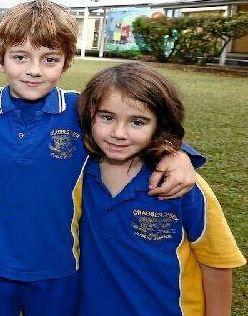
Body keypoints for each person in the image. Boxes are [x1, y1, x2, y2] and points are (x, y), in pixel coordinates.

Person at [0, 0, 201, 315]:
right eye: (20, 57)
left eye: (49, 59)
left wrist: (179, 155)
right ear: (0, 59)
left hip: (60, 268)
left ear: (66, 63)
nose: (33, 70)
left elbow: (136, 126)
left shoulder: (82, 110)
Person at [76, 62, 245, 315]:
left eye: (138, 122)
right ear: (90, 117)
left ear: (159, 125)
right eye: (107, 117)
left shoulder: (185, 186)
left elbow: (217, 264)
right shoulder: (78, 174)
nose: (119, 133)